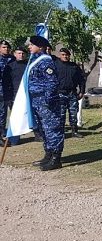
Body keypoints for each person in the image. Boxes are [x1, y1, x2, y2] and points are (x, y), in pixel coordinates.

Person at [27, 36, 64, 170]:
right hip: (37, 101)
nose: (29, 47)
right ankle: (48, 154)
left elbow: (52, 82)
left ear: (40, 46)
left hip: (46, 102)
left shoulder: (46, 61)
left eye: (32, 45)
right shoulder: (36, 60)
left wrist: (49, 100)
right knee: (43, 129)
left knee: (52, 129)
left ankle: (56, 158)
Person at [54, 48, 86, 138]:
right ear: (60, 55)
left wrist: (82, 91)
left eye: (67, 55)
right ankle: (61, 133)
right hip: (60, 93)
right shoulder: (56, 65)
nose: (65, 57)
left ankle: (74, 131)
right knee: (61, 115)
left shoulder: (74, 66)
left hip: (72, 93)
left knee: (73, 113)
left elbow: (81, 80)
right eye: (63, 55)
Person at [0, 40, 15, 138]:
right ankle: (1, 135)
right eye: (4, 47)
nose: (6, 49)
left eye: (8, 47)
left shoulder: (13, 59)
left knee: (15, 112)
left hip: (12, 90)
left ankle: (14, 135)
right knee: (2, 114)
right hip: (1, 91)